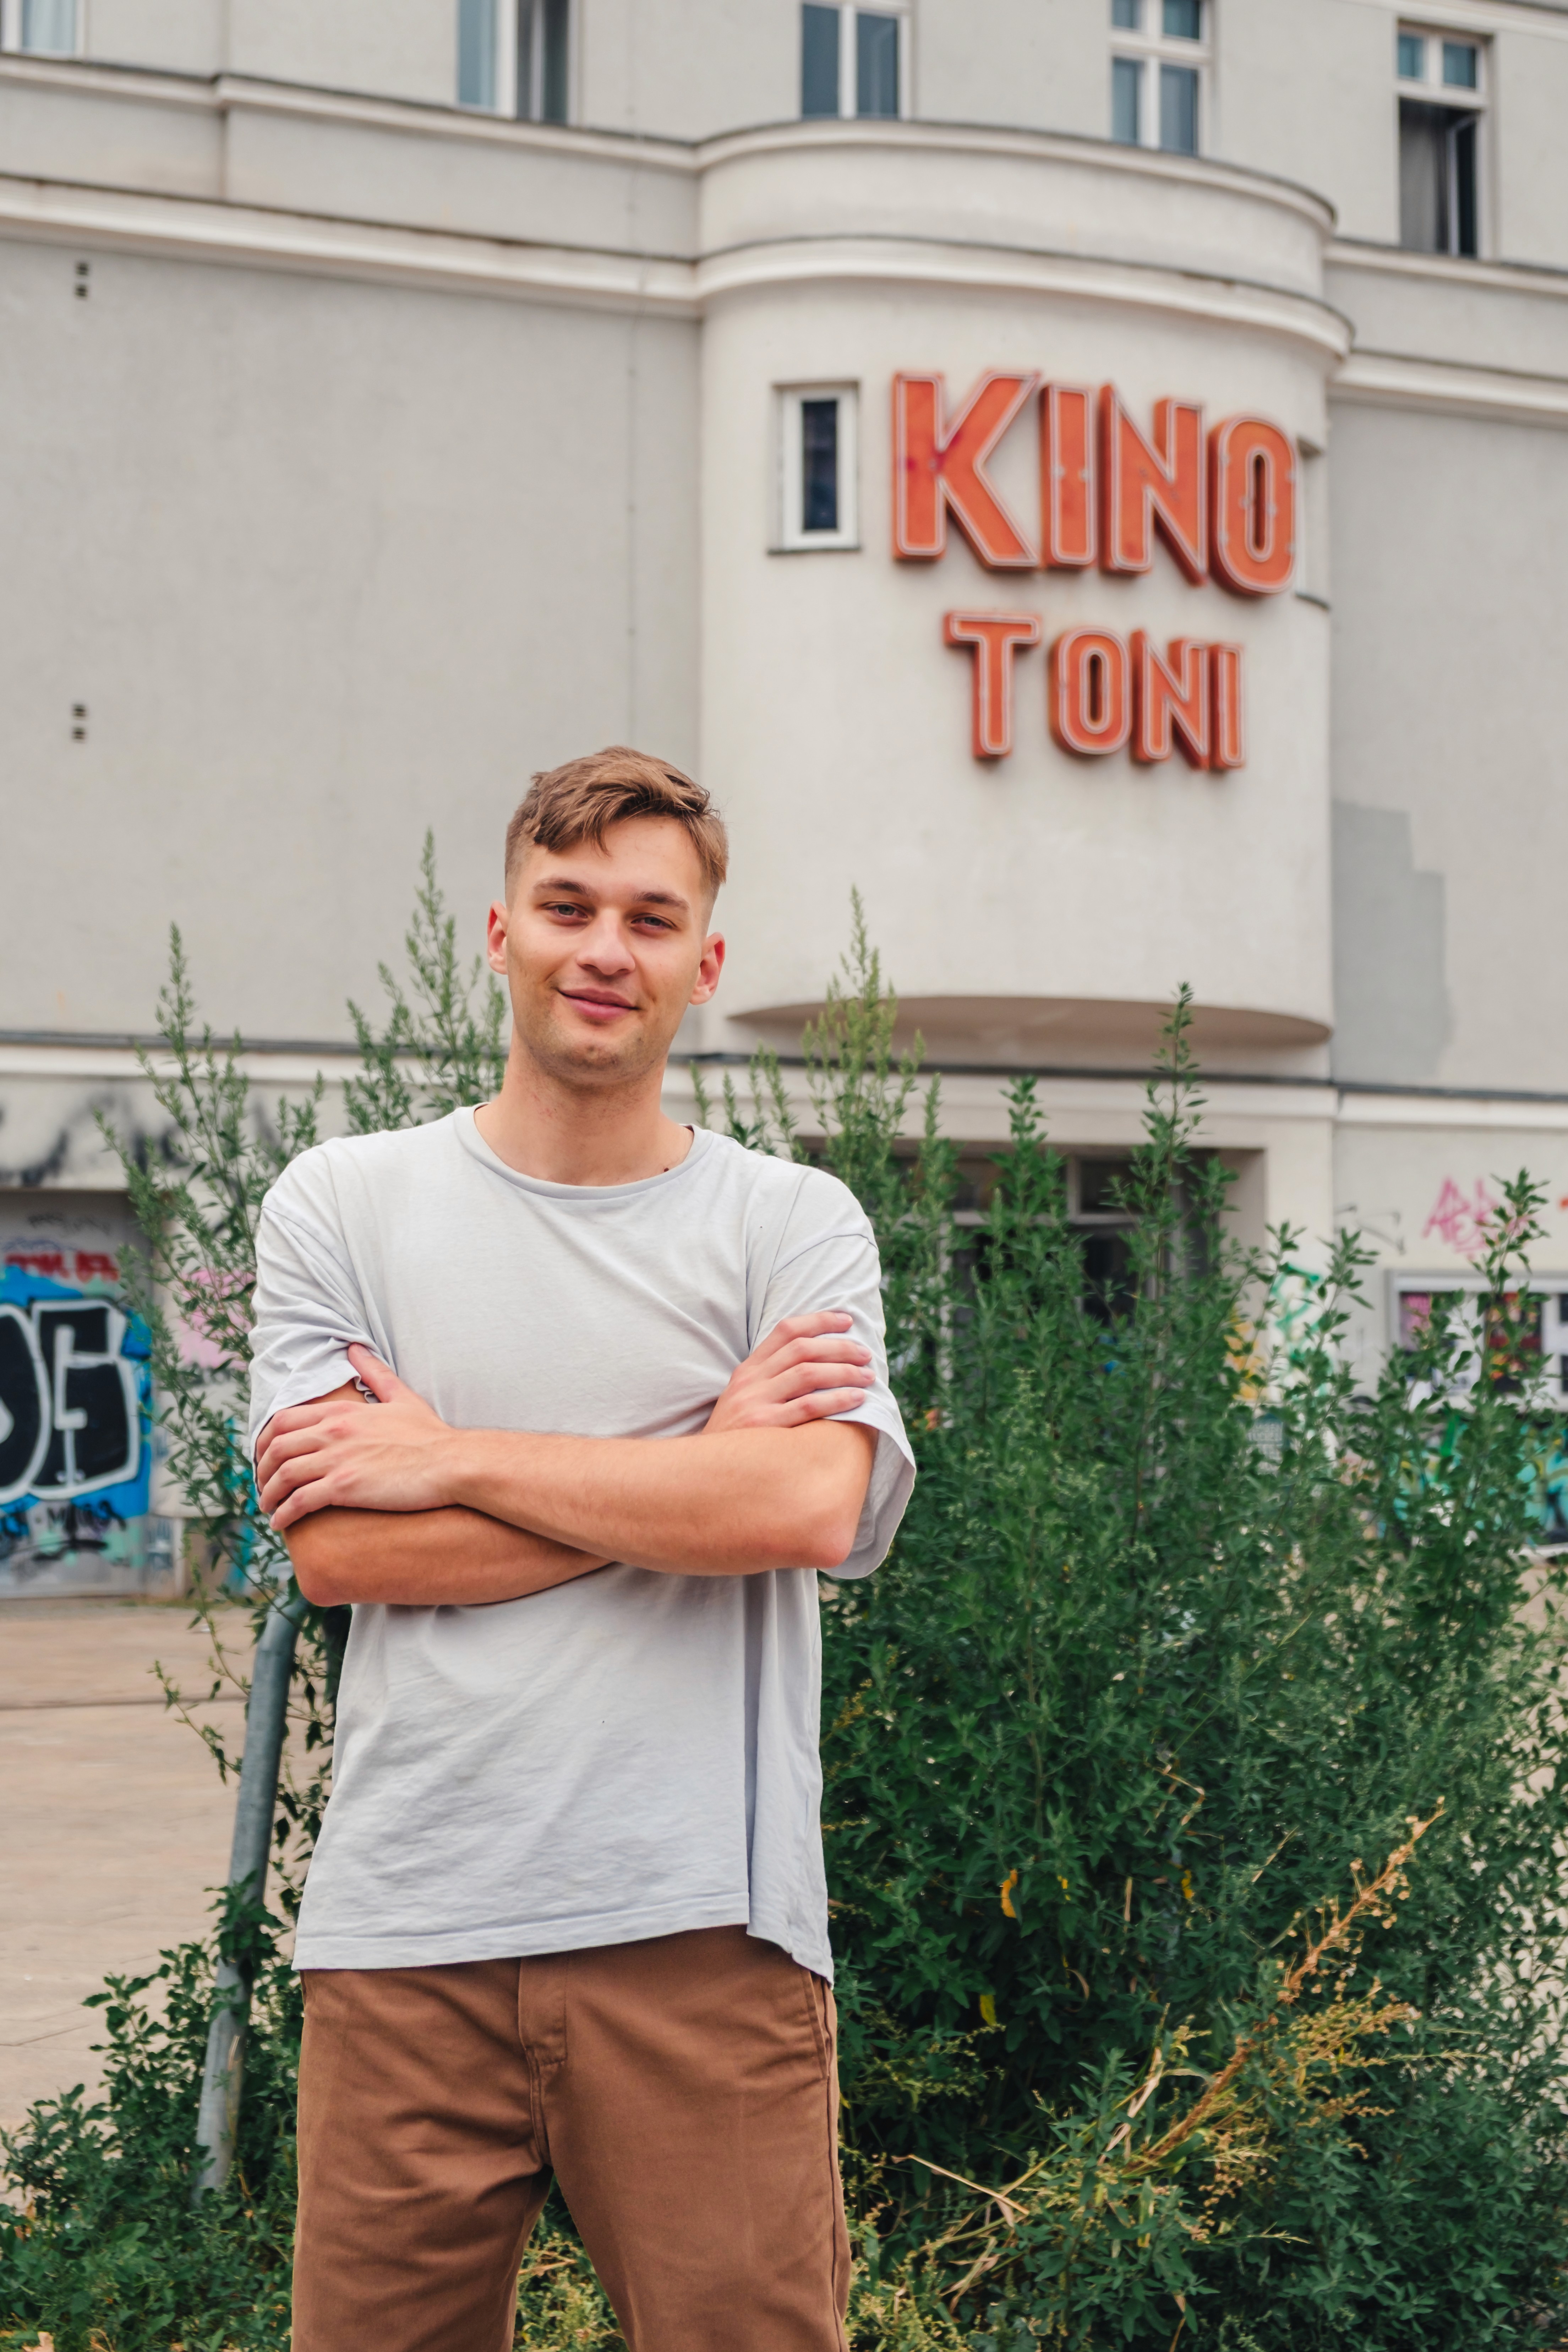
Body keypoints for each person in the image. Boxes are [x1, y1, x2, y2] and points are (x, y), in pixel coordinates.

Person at [248, 746, 915, 2352]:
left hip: (707, 1933)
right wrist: (700, 1461)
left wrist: (449, 1453)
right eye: (566, 905)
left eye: (648, 914)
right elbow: (342, 1549)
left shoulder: (787, 1224)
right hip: (409, 1933)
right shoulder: (343, 1203)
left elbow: (806, 1510)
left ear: (706, 961)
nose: (603, 947)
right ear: (500, 931)